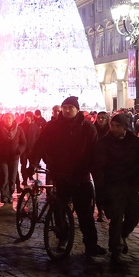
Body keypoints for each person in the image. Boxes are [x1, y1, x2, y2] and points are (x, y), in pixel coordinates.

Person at [34, 95, 106, 257]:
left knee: (85, 214)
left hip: (81, 177)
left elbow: (94, 153)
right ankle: (63, 236)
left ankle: (91, 245)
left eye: (70, 108)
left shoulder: (88, 127)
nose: (66, 110)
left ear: (77, 109)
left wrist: (97, 176)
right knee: (59, 209)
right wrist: (32, 164)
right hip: (61, 174)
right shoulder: (52, 126)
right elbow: (39, 144)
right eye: (64, 107)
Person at [94, 113, 139, 267]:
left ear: (125, 126)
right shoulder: (103, 143)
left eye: (118, 126)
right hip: (113, 185)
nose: (114, 129)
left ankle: (122, 236)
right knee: (116, 217)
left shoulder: (134, 141)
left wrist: (136, 177)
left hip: (130, 184)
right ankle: (115, 250)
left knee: (134, 214)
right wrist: (101, 189)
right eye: (113, 125)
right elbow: (99, 167)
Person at [0, 113, 25, 204]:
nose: (8, 120)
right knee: (4, 176)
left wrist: (19, 151)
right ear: (3, 119)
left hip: (14, 157)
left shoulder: (19, 129)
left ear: (13, 119)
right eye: (6, 118)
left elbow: (24, 143)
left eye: (9, 118)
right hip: (2, 157)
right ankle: (4, 195)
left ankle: (10, 194)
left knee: (12, 178)